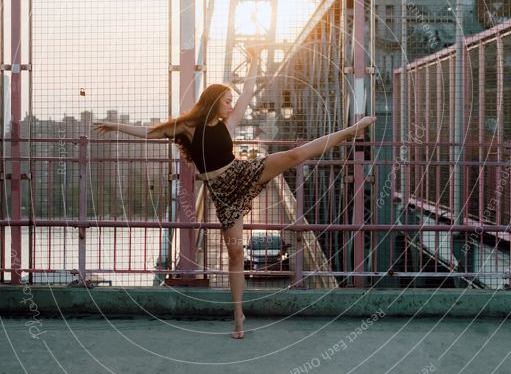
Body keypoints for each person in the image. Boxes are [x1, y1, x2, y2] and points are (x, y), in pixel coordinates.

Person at [93, 47, 376, 339]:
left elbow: (247, 93)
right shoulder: (189, 128)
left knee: (294, 156)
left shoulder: (228, 124)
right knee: (236, 252)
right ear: (214, 102)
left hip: (242, 173)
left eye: (231, 101)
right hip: (224, 194)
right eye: (226, 101)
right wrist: (116, 126)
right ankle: (238, 316)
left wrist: (254, 62)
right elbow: (151, 133)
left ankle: (349, 131)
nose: (231, 105)